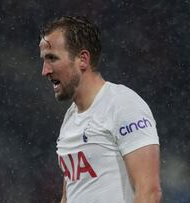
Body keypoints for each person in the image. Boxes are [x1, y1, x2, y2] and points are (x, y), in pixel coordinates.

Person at [39, 16, 162, 203]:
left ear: (83, 59)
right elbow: (69, 196)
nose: (45, 70)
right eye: (44, 60)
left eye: (52, 58)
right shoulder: (70, 118)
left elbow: (149, 192)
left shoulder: (123, 105)